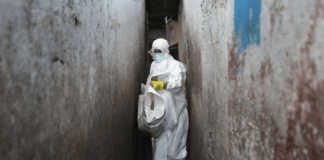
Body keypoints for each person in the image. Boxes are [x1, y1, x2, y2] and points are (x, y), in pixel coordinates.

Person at [147, 38, 188, 160]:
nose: (156, 54)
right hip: (161, 114)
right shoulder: (153, 65)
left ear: (166, 50)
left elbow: (177, 84)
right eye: (154, 51)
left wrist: (159, 85)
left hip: (177, 113)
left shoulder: (176, 66)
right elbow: (151, 84)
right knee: (159, 150)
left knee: (174, 151)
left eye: (159, 51)